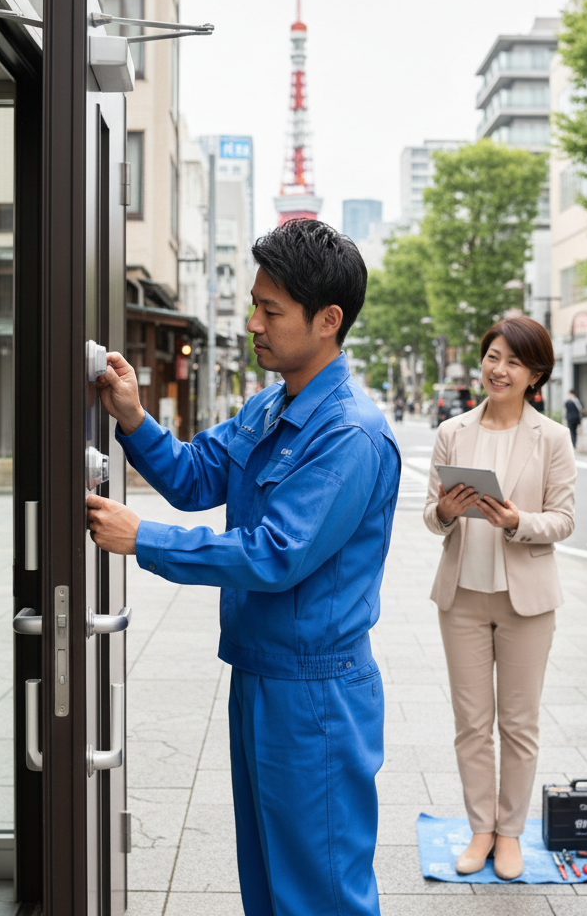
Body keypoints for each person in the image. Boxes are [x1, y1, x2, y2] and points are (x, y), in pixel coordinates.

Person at [86, 219, 401, 916]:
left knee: (320, 894)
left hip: (315, 695)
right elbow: (198, 477)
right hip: (260, 673)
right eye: (254, 304)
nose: (252, 323)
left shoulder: (349, 434)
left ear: (328, 321)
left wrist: (145, 540)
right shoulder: (273, 401)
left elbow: (275, 554)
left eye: (270, 310)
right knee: (268, 883)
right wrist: (135, 420)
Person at [423, 316, 576, 880]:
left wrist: (517, 522)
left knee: (518, 722)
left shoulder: (552, 437)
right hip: (461, 596)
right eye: (492, 356)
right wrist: (445, 511)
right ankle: (480, 829)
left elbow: (563, 519)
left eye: (513, 361)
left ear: (535, 374)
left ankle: (509, 833)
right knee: (470, 721)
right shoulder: (452, 431)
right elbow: (429, 515)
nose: (498, 369)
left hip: (526, 602)